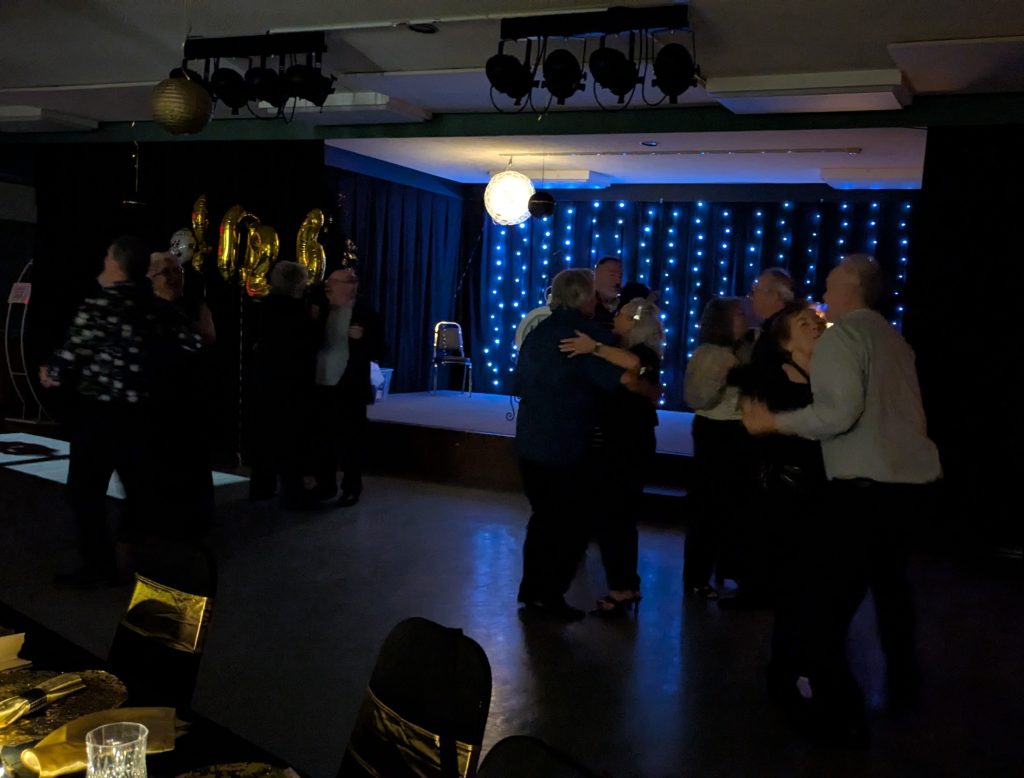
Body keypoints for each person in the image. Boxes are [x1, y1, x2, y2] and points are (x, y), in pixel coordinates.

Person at [743, 254, 942, 744]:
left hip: (861, 492)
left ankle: (835, 711)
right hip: (906, 488)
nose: (822, 297)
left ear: (852, 287)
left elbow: (837, 415)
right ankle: (896, 690)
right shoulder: (891, 338)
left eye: (830, 286)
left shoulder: (845, 336)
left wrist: (773, 423)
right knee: (886, 592)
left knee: (826, 609)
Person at [39, 236, 200, 587]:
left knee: (85, 492)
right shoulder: (156, 307)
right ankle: (132, 552)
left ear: (119, 266)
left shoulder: (100, 305)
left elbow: (71, 354)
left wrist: (51, 372)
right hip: (144, 416)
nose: (103, 264)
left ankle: (99, 565)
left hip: (100, 416)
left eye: (108, 259)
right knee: (139, 489)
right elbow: (192, 344)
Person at [514, 268, 628, 621]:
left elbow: (519, 382)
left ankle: (533, 592)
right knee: (570, 526)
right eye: (593, 294)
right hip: (566, 445)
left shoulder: (538, 332)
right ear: (584, 298)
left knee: (543, 520)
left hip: (530, 441)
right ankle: (550, 596)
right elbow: (618, 383)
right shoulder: (586, 335)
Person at [559, 296, 663, 616]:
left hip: (627, 446)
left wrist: (595, 348)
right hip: (628, 443)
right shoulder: (634, 353)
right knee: (620, 519)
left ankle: (621, 588)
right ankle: (626, 584)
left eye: (622, 314)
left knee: (613, 518)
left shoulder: (642, 354)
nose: (615, 317)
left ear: (634, 323)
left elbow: (634, 369)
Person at [682, 297, 754, 600]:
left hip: (728, 430)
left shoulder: (740, 350)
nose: (745, 317)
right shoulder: (712, 354)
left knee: (725, 504)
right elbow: (697, 397)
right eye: (738, 314)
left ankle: (721, 567)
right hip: (718, 431)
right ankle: (699, 576)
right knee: (710, 504)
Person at [146, 252, 216, 539]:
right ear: (150, 278)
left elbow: (207, 337)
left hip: (190, 400)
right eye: (167, 272)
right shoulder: (148, 311)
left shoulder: (189, 306)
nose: (175, 277)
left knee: (193, 461)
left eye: (178, 271)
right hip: (161, 402)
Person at [309, 266, 386, 507]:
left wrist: (363, 339)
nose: (327, 286)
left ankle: (351, 488)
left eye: (334, 282)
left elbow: (382, 350)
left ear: (350, 287)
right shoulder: (321, 310)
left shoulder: (365, 314)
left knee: (349, 441)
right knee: (323, 439)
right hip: (321, 382)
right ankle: (325, 485)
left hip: (349, 386)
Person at [248, 261, 317, 505]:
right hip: (291, 382)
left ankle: (261, 486)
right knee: (291, 437)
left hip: (265, 380)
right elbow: (306, 345)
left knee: (265, 435)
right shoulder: (298, 311)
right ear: (297, 284)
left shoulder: (265, 306)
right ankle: (292, 490)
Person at [592, 256, 622, 327]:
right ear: (596, 275)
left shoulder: (622, 306)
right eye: (612, 275)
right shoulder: (585, 306)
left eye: (620, 277)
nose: (618, 282)